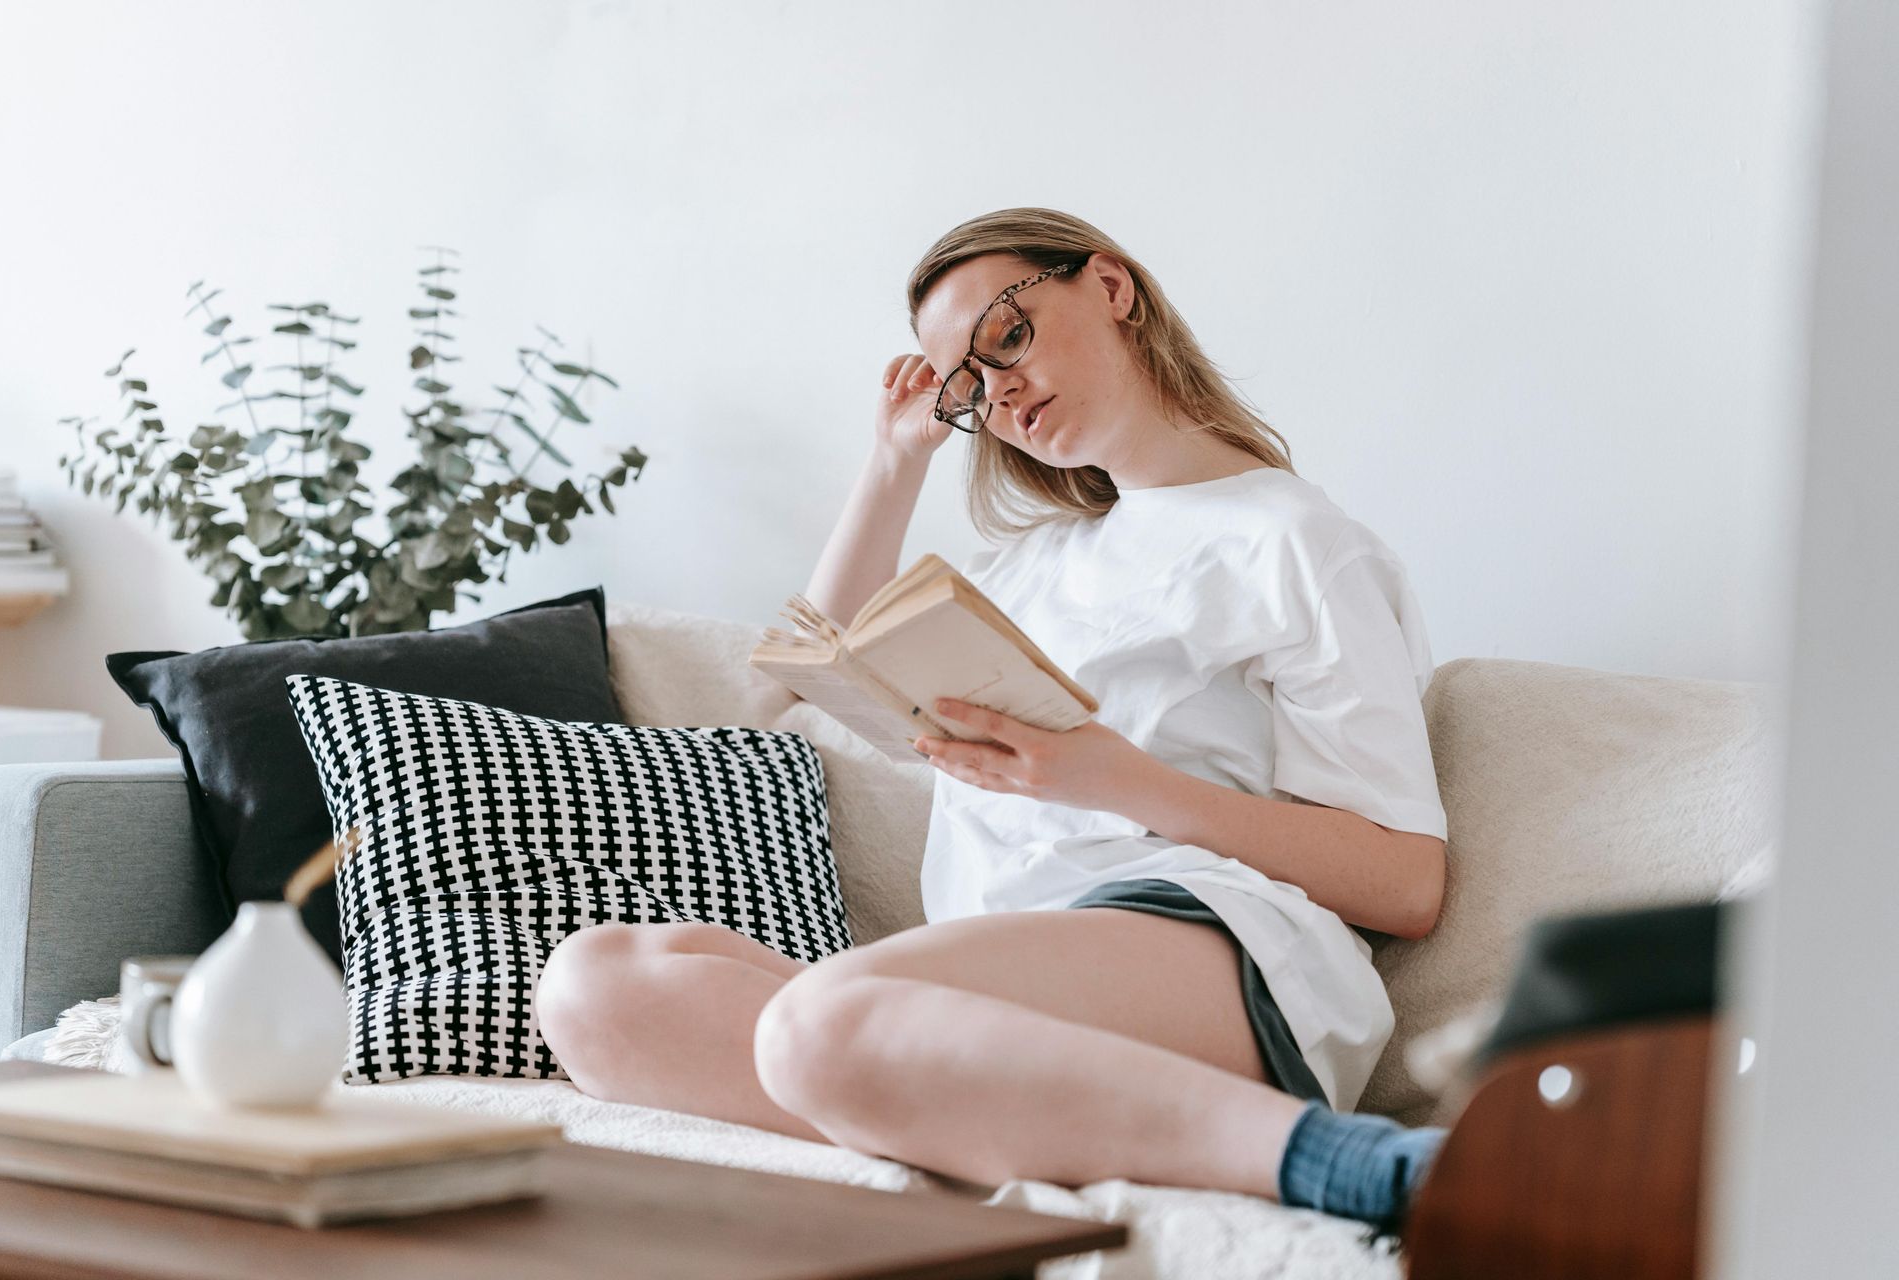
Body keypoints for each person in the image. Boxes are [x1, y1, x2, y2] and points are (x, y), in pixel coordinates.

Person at [536, 208, 1448, 1231]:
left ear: (1110, 287)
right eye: (968, 384)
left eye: (1007, 336)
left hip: (1212, 945)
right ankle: (991, 1107)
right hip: (997, 965)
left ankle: (1353, 1163)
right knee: (594, 990)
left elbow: (1406, 881)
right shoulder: (1030, 567)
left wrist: (1115, 779)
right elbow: (777, 686)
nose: (999, 393)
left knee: (814, 1026)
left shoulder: (1295, 540)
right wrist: (895, 461)